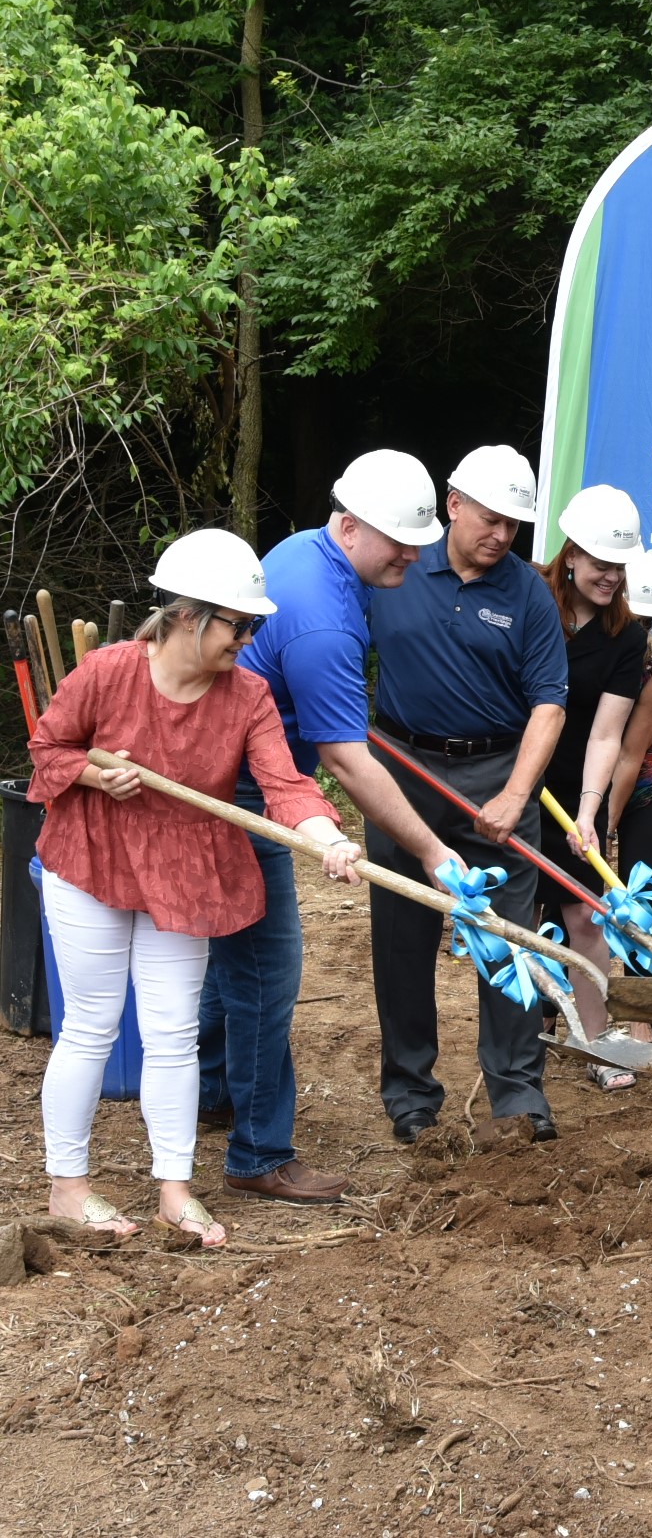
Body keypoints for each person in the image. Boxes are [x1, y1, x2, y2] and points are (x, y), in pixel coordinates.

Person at [29, 529, 363, 1247]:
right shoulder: (108, 673)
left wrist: (329, 838)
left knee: (174, 1033)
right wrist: (95, 773)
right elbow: (48, 747)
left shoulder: (247, 697)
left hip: (183, 871)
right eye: (238, 625)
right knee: (90, 1025)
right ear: (187, 615)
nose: (247, 639)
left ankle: (174, 1193)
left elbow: (284, 783)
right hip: (94, 857)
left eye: (254, 626)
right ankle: (68, 1189)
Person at [199, 451, 463, 1205]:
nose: (413, 555)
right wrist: (432, 849)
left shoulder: (302, 553)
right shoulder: (322, 624)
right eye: (397, 541)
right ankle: (258, 1152)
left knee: (230, 957)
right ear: (349, 526)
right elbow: (346, 761)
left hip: (232, 769)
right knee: (265, 971)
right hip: (251, 791)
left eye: (418, 539)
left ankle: (214, 1091)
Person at [367, 444, 568, 1143]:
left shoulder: (529, 594)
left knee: (508, 937)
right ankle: (411, 1094)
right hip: (399, 768)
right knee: (402, 935)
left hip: (494, 775)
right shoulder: (394, 567)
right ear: (452, 505)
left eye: (515, 524)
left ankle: (517, 1093)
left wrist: (517, 794)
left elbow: (549, 705)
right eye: (491, 519)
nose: (503, 535)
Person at [536, 484, 651, 1085]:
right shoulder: (530, 598)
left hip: (576, 784)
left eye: (620, 566)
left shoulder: (626, 636)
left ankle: (601, 1043)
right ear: (572, 553)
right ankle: (519, 1047)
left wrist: (590, 813)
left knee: (585, 913)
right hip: (510, 776)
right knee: (511, 914)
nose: (611, 577)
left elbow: (608, 735)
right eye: (602, 564)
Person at [606, 553, 652, 877]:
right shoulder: (589, 649)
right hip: (587, 777)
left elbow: (629, 755)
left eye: (649, 622)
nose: (642, 630)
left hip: (646, 783)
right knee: (572, 894)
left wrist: (607, 826)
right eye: (635, 621)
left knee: (639, 892)